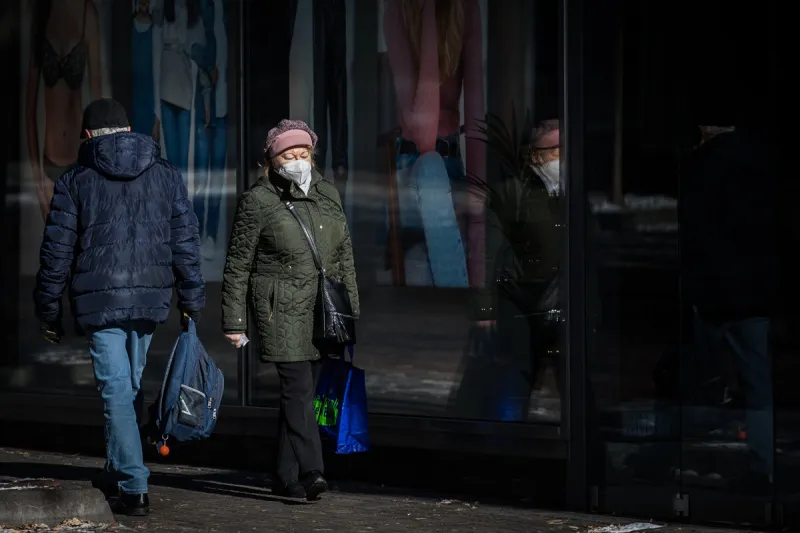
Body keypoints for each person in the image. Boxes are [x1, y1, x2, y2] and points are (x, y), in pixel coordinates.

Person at [33, 98, 205, 516]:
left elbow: (57, 252)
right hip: (149, 299)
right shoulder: (165, 174)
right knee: (125, 388)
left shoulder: (76, 180)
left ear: (88, 136)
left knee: (116, 391)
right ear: (129, 130)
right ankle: (117, 470)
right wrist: (191, 299)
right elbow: (185, 240)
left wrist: (49, 309)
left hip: (99, 298)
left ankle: (134, 485)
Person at [221, 119, 359, 500]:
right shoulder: (258, 200)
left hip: (323, 310)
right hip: (280, 310)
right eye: (288, 154)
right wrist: (234, 320)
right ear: (271, 159)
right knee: (298, 392)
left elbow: (344, 254)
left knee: (301, 396)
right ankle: (314, 471)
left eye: (304, 154)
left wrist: (351, 312)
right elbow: (237, 265)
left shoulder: (328, 193)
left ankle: (285, 476)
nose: (297, 160)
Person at [383, 0, 486, 288]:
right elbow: (425, 137)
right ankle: (461, 308)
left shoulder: (466, 9)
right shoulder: (396, 12)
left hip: (453, 172)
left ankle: (460, 305)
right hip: (412, 172)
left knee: (426, 270)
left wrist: (478, 208)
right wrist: (428, 15)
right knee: (430, 167)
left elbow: (476, 122)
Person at [26, 0, 103, 220]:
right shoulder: (42, 15)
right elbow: (29, 112)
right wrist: (38, 184)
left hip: (82, 163)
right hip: (50, 166)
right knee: (57, 251)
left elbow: (98, 107)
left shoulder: (88, 14)